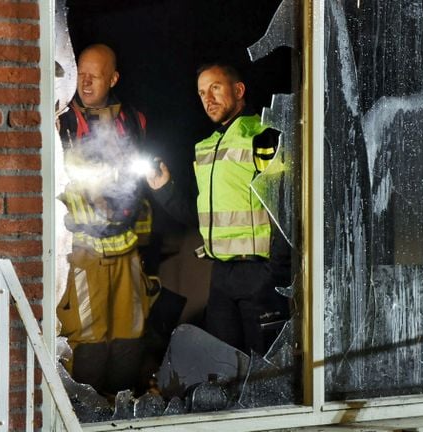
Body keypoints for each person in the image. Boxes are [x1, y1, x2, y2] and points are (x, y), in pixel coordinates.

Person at [146, 62, 291, 355]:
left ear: (238, 90)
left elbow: (287, 205)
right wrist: (164, 190)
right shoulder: (204, 149)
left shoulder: (265, 136)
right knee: (225, 368)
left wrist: (275, 271)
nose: (207, 99)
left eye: (215, 88)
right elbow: (201, 218)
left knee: (265, 372)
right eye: (201, 93)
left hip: (259, 274)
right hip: (222, 278)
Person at [55, 43, 154, 395]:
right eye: (80, 74)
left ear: (113, 78)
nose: (84, 82)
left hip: (126, 249)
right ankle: (82, 413)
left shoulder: (133, 120)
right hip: (83, 250)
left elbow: (139, 184)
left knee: (130, 335)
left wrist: (144, 241)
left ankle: (124, 410)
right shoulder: (62, 120)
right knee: (88, 340)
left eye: (94, 76)